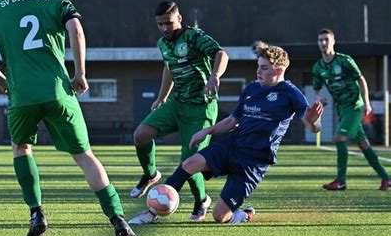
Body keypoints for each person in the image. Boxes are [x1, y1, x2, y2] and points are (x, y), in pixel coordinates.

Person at [0, 0, 135, 236]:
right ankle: (118, 220)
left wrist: (2, 81)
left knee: (21, 148)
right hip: (58, 91)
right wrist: (80, 73)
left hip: (22, 95)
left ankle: (36, 212)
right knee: (85, 156)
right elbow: (76, 30)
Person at [130, 42, 323, 224]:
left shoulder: (291, 93)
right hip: (233, 144)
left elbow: (310, 124)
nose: (258, 71)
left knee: (219, 216)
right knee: (189, 163)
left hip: (255, 159)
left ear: (279, 70)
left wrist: (314, 124)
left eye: (264, 67)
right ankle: (152, 212)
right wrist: (206, 131)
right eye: (258, 66)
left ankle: (244, 214)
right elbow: (232, 121)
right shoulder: (251, 88)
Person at [128, 1, 229, 224]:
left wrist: (214, 77)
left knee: (189, 160)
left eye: (169, 23)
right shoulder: (162, 43)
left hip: (200, 106)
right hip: (176, 102)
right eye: (160, 24)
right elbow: (169, 68)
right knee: (141, 135)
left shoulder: (194, 37)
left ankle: (201, 200)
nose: (165, 28)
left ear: (179, 19)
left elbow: (221, 54)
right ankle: (150, 174)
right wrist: (162, 97)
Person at [313, 28, 390, 191]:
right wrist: (319, 100)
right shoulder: (318, 67)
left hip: (355, 106)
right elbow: (316, 90)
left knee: (339, 138)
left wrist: (367, 103)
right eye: (320, 40)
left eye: (326, 39)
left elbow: (361, 79)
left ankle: (341, 181)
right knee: (363, 144)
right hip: (341, 108)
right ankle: (386, 178)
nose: (323, 43)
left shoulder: (344, 60)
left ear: (333, 41)